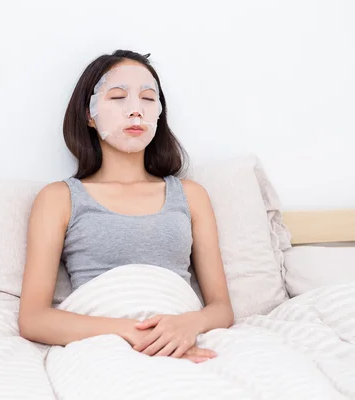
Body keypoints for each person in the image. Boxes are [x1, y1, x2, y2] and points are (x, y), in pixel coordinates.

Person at [18, 49, 234, 364]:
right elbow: (34, 319)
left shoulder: (191, 195)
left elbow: (222, 308)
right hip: (105, 346)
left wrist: (189, 323)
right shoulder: (59, 198)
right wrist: (134, 333)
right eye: (118, 97)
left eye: (148, 99)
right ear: (89, 115)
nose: (136, 111)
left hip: (185, 341)